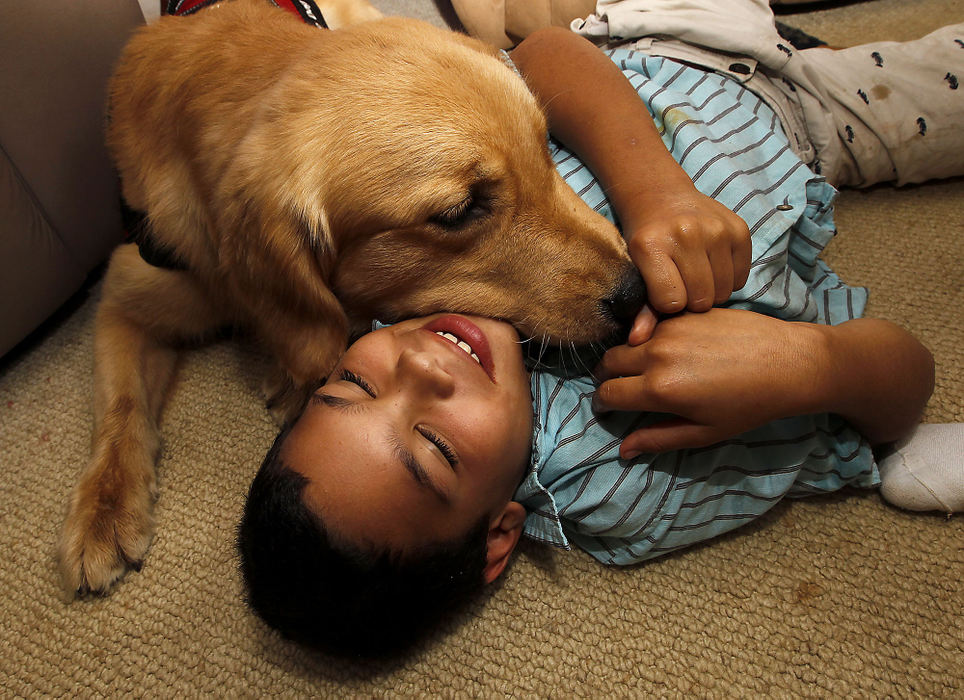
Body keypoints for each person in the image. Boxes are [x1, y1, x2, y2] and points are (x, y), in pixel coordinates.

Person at [237, 22, 962, 656]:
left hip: (647, 39)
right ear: (499, 536)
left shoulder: (390, 293)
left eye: (352, 384)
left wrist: (655, 189)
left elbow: (547, 52)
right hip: (811, 114)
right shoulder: (626, 483)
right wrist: (812, 365)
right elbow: (903, 387)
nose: (421, 364)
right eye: (438, 448)